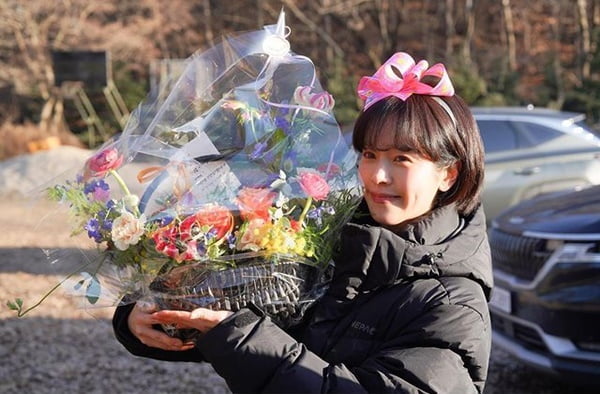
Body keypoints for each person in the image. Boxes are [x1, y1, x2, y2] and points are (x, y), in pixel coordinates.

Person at [113, 52, 493, 393]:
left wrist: (241, 337)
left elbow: (256, 342)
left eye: (402, 159)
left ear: (449, 174)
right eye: (370, 154)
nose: (377, 175)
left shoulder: (452, 303)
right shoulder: (335, 244)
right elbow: (248, 324)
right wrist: (145, 317)